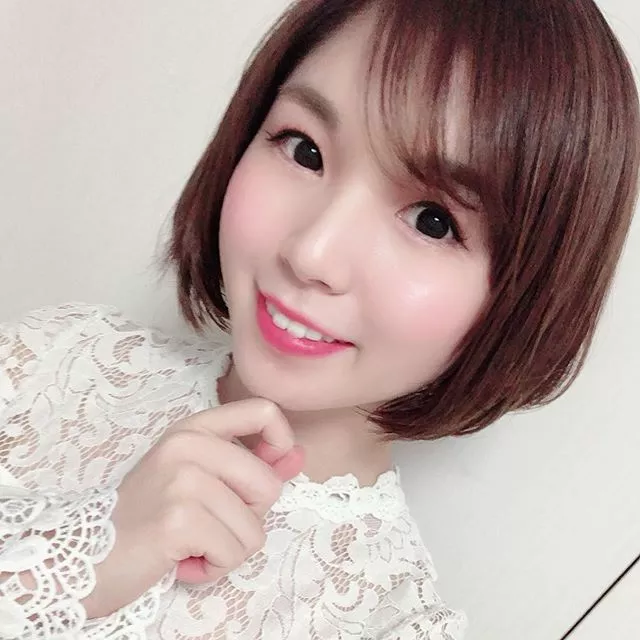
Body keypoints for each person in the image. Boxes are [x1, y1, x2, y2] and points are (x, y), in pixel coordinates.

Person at [1, 0, 638, 637]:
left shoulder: (386, 625)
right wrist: (87, 556)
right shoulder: (53, 360)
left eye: (432, 221)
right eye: (304, 150)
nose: (312, 253)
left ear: (527, 297)